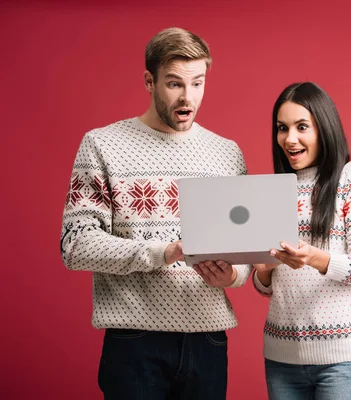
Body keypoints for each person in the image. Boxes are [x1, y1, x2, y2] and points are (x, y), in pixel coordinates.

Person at [60, 27, 251, 400]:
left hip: (208, 341)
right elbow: (75, 243)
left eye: (198, 83)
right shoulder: (102, 144)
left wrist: (231, 275)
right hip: (135, 343)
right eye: (174, 84)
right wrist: (163, 252)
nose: (188, 97)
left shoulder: (227, 153)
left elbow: (244, 255)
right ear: (149, 81)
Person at [253, 82, 351, 399]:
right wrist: (264, 271)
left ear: (324, 127)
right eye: (282, 128)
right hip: (281, 358)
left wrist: (314, 258)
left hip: (343, 362)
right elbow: (266, 284)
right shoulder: (274, 189)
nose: (289, 139)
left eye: (301, 127)